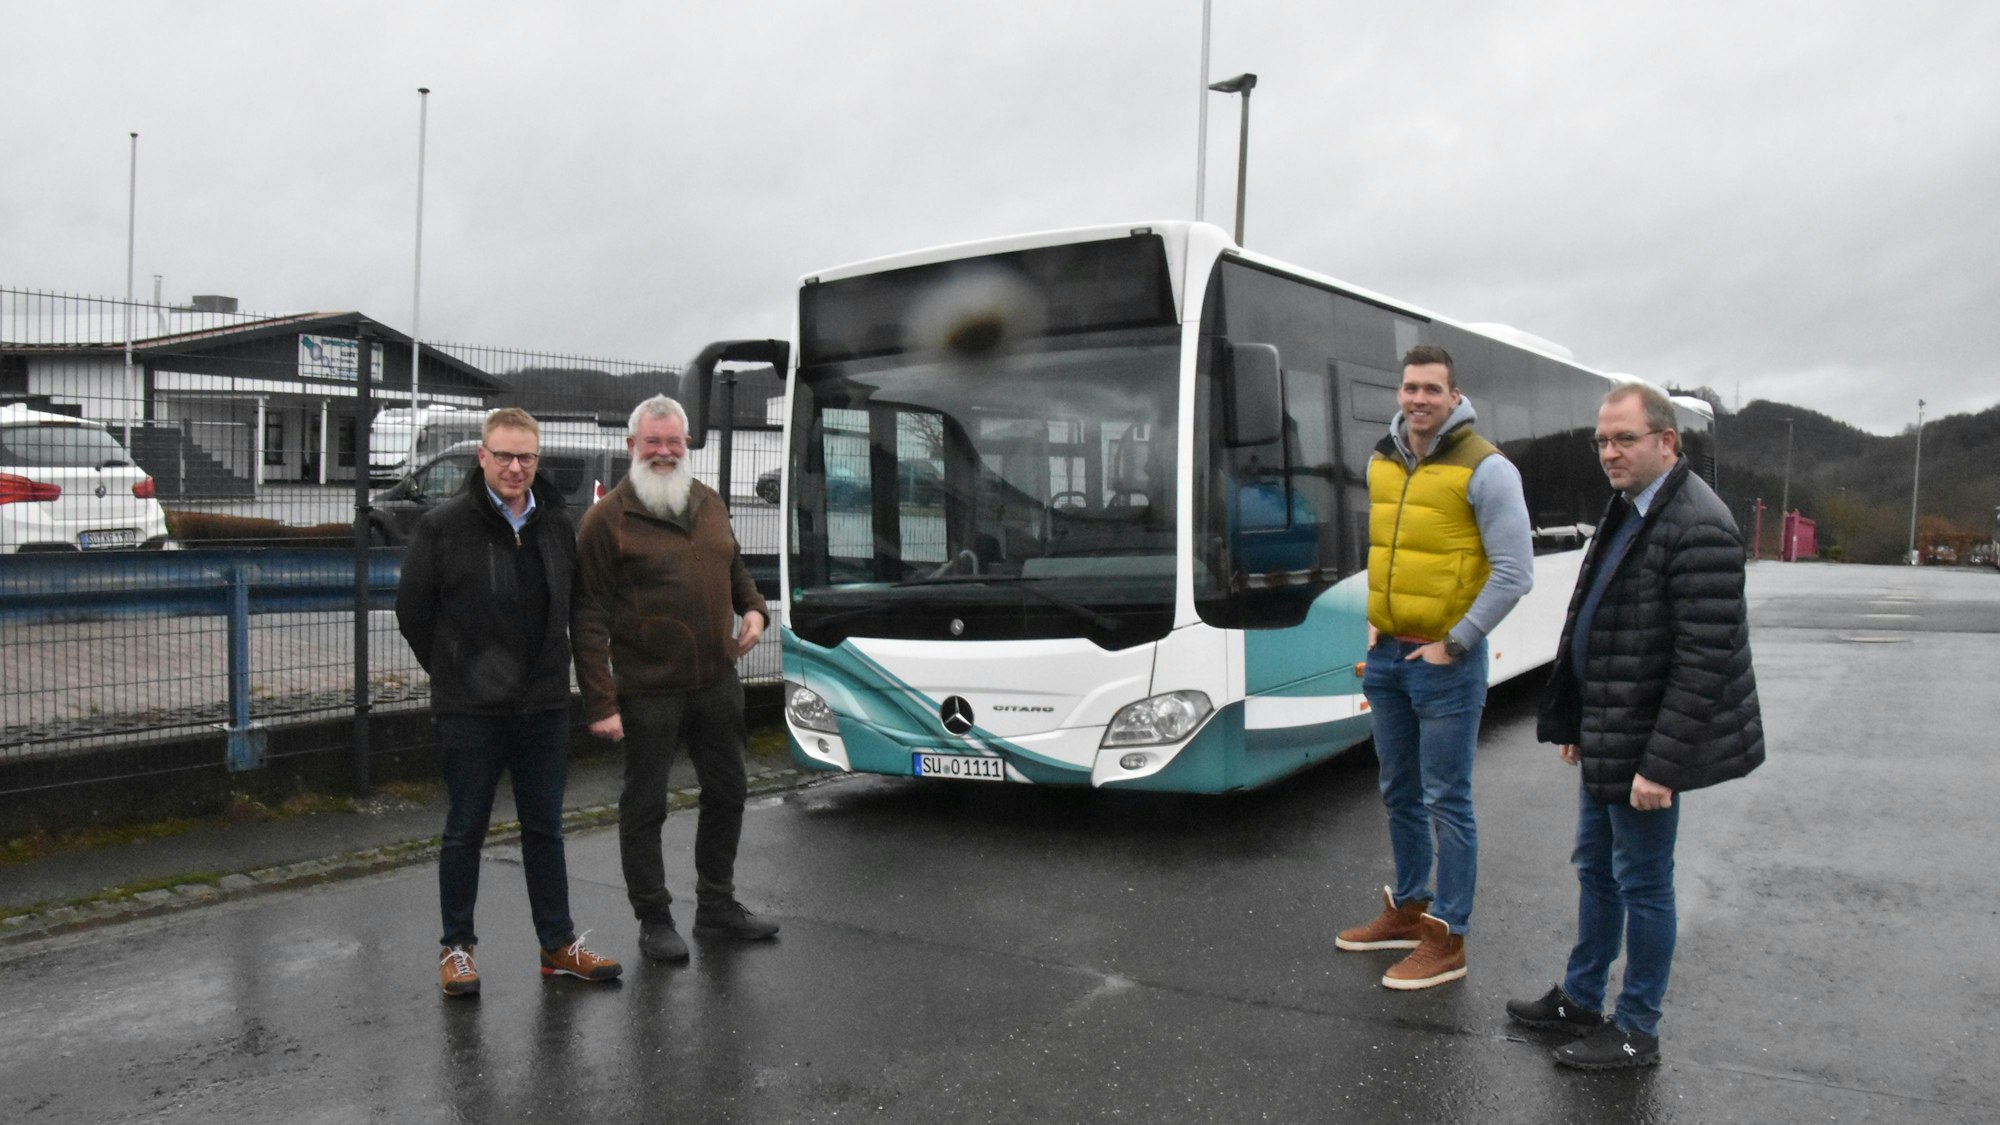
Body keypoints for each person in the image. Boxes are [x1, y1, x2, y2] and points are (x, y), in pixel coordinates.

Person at [1507, 382, 1763, 1069]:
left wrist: (1662, 765)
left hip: (1649, 746)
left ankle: (1636, 1027)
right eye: (1602, 440)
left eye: (1624, 439)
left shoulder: (1698, 523)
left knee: (1644, 882)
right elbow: (1596, 620)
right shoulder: (1631, 507)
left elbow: (1703, 660)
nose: (1609, 452)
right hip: (1609, 729)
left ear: (1667, 442)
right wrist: (1577, 718)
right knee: (1596, 866)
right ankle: (1584, 998)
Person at [396, 407, 622, 996]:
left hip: (543, 707)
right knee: (464, 830)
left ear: (537, 459)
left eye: (526, 457)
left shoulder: (557, 525)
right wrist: (454, 676)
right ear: (482, 457)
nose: (515, 467)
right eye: (504, 456)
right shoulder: (442, 528)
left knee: (545, 830)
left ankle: (558, 946)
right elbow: (413, 614)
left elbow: (576, 607)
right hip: (471, 712)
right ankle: (457, 949)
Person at [1336, 345, 1534, 990]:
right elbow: (1388, 550)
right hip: (1390, 654)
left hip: (1444, 661)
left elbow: (1514, 573)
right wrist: (1377, 617)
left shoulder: (1487, 467)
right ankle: (1409, 908)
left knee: (1446, 798)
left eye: (1432, 389)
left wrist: (1456, 642)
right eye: (1410, 387)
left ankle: (1448, 938)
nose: (1418, 399)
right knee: (1398, 791)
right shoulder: (1383, 460)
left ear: (1455, 398)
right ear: (1400, 392)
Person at [573, 394, 777, 963]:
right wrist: (600, 701)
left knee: (729, 791)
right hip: (646, 689)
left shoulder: (708, 502)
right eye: (652, 442)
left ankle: (716, 905)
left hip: (716, 679)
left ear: (687, 445)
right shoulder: (606, 520)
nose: (663, 452)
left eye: (673, 442)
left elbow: (733, 564)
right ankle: (654, 917)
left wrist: (755, 608)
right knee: (645, 806)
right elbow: (586, 615)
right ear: (631, 446)